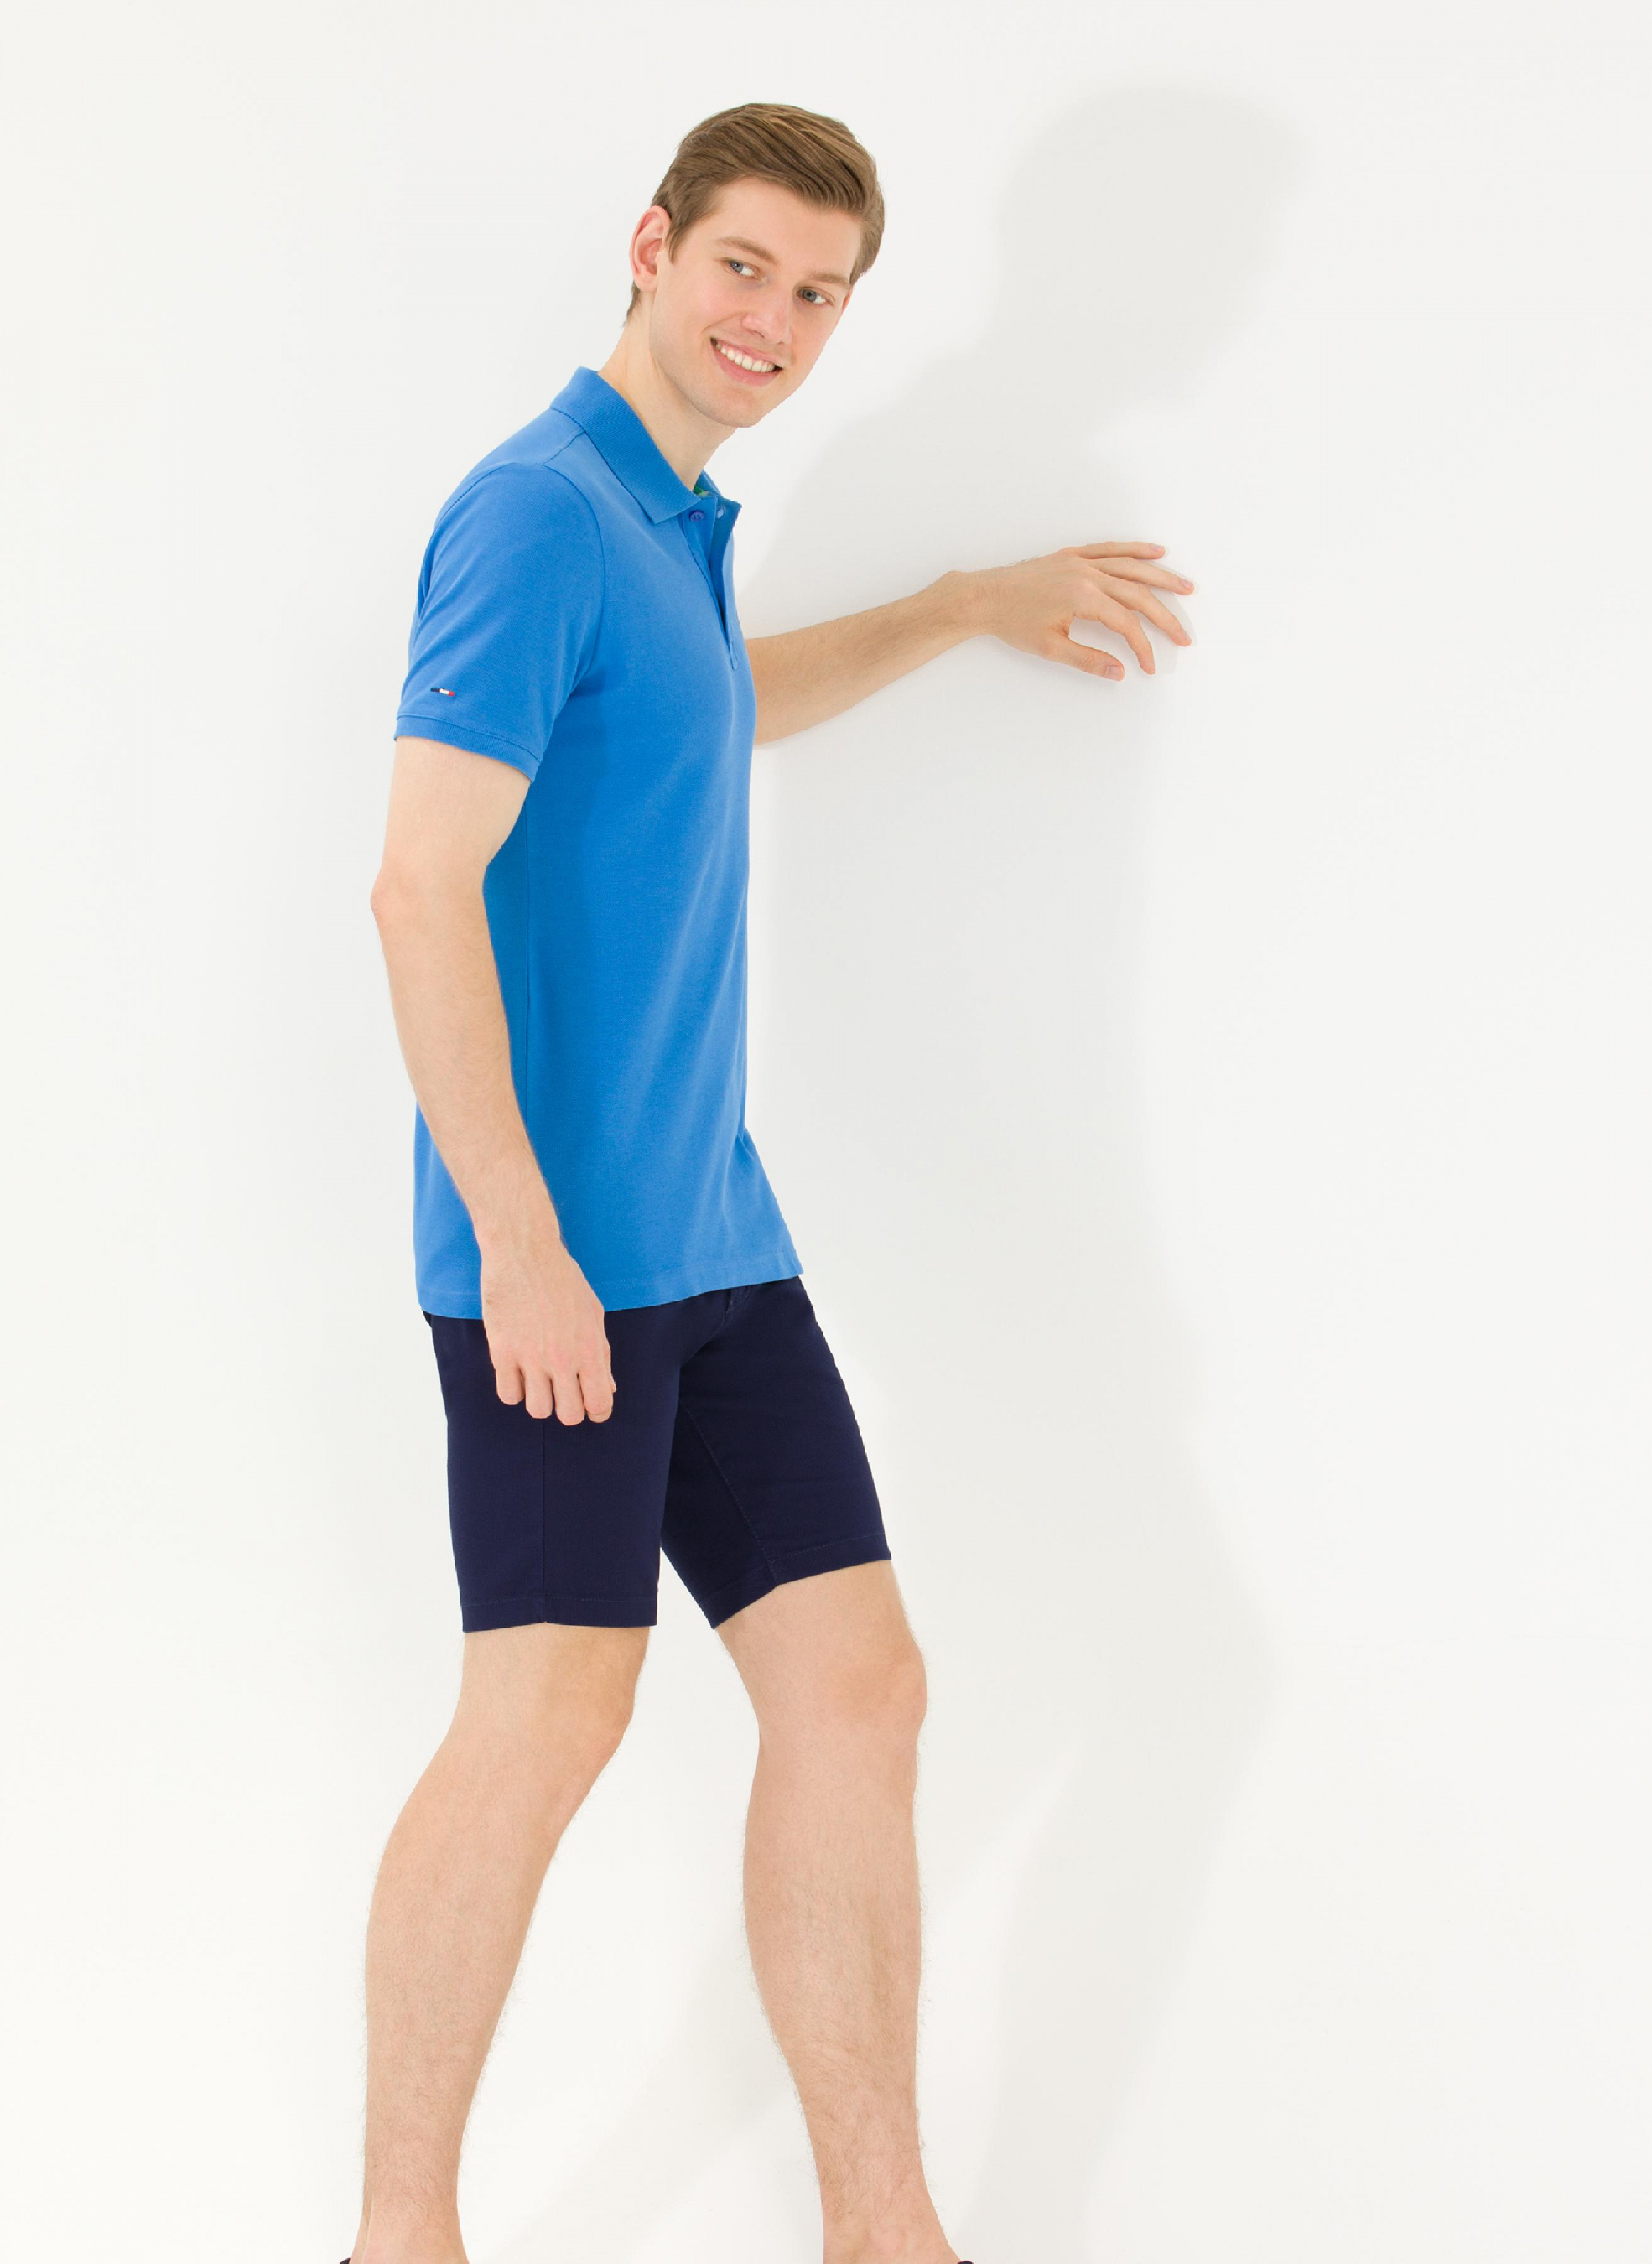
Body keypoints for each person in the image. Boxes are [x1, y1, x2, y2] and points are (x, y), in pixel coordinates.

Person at [350, 99, 1193, 2264]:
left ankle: (881, 2228)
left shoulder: (672, 523)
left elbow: (708, 706)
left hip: (716, 1242)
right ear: (651, 247)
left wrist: (961, 604)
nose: (775, 323)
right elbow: (418, 884)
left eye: (818, 294)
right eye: (743, 267)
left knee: (858, 1687)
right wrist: (519, 1242)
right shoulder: (539, 513)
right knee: (548, 1716)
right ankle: (396, 2235)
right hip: (565, 1263)